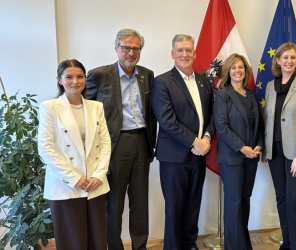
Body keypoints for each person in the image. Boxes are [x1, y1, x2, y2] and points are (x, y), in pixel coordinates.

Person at [86, 28, 156, 250]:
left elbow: (152, 112)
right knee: (114, 203)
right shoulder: (99, 75)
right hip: (115, 145)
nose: (131, 52)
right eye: (126, 47)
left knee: (140, 202)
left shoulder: (147, 75)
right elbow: (86, 112)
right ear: (116, 48)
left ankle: (140, 247)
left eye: (136, 48)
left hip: (142, 143)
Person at [38, 59, 111, 250]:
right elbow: (45, 149)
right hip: (65, 185)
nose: (75, 81)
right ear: (59, 80)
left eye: (79, 76)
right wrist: (74, 178)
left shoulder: (96, 107)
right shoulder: (50, 107)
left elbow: (104, 143)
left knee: (97, 240)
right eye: (69, 77)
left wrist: (99, 175)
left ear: (85, 79)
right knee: (73, 242)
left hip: (95, 184)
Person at [151, 34, 214, 250]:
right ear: (172, 54)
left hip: (199, 155)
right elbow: (167, 120)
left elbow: (212, 115)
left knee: (193, 204)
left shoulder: (205, 82)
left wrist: (206, 138)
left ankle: (189, 244)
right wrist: (194, 142)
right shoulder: (161, 82)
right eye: (180, 50)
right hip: (174, 157)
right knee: (175, 207)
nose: (184, 54)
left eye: (188, 50)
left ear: (194, 53)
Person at [262, 42, 296, 250]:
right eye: (285, 57)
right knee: (282, 199)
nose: (289, 61)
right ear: (277, 60)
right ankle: (286, 243)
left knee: (294, 200)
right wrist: (266, 150)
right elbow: (268, 119)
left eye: (293, 57)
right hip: (274, 152)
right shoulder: (270, 86)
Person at [214, 53, 264, 250]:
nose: (237, 71)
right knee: (233, 203)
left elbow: (260, 124)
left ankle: (243, 245)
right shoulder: (222, 95)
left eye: (241, 67)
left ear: (246, 70)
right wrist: (242, 148)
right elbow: (221, 126)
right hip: (232, 157)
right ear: (228, 71)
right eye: (233, 67)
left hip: (251, 157)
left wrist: (259, 144)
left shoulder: (251, 94)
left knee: (244, 201)